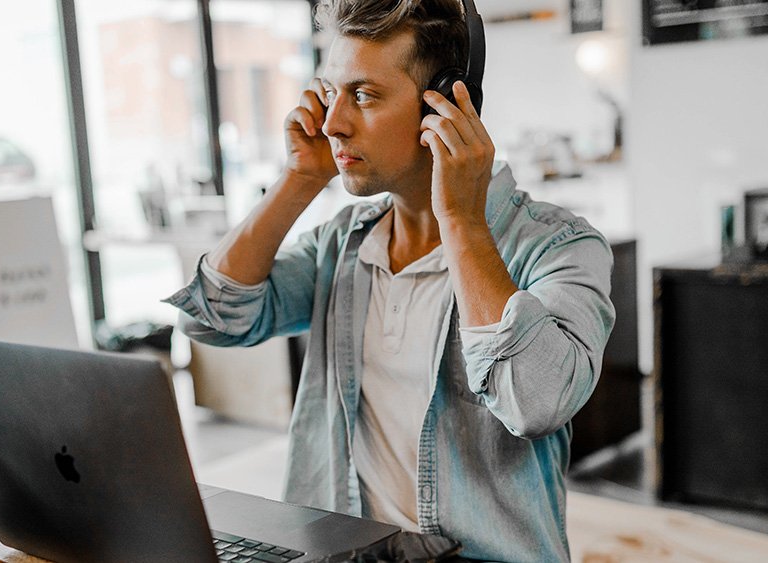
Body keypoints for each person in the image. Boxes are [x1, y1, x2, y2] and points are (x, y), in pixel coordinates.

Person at [164, 0, 615, 560]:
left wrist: (462, 221)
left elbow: (536, 403)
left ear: (445, 106)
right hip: (343, 553)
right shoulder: (343, 242)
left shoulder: (558, 245)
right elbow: (209, 317)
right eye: (331, 93)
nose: (332, 123)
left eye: (364, 95)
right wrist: (298, 180)